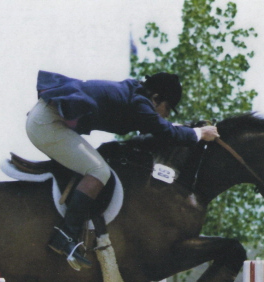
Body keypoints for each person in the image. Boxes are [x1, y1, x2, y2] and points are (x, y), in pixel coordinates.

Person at [26, 70, 220, 270]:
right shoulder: (139, 102)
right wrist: (199, 133)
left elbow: (159, 127)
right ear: (155, 98)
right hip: (46, 124)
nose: (167, 114)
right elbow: (163, 130)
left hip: (48, 119)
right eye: (168, 108)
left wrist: (191, 131)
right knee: (99, 171)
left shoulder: (137, 97)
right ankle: (66, 235)